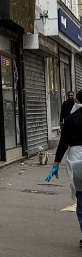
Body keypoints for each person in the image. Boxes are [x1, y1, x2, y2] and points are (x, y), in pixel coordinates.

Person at [47, 89, 82, 246]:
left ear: (76, 101)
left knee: (80, 197)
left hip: (76, 159)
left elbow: (63, 143)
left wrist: (56, 163)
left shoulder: (70, 119)